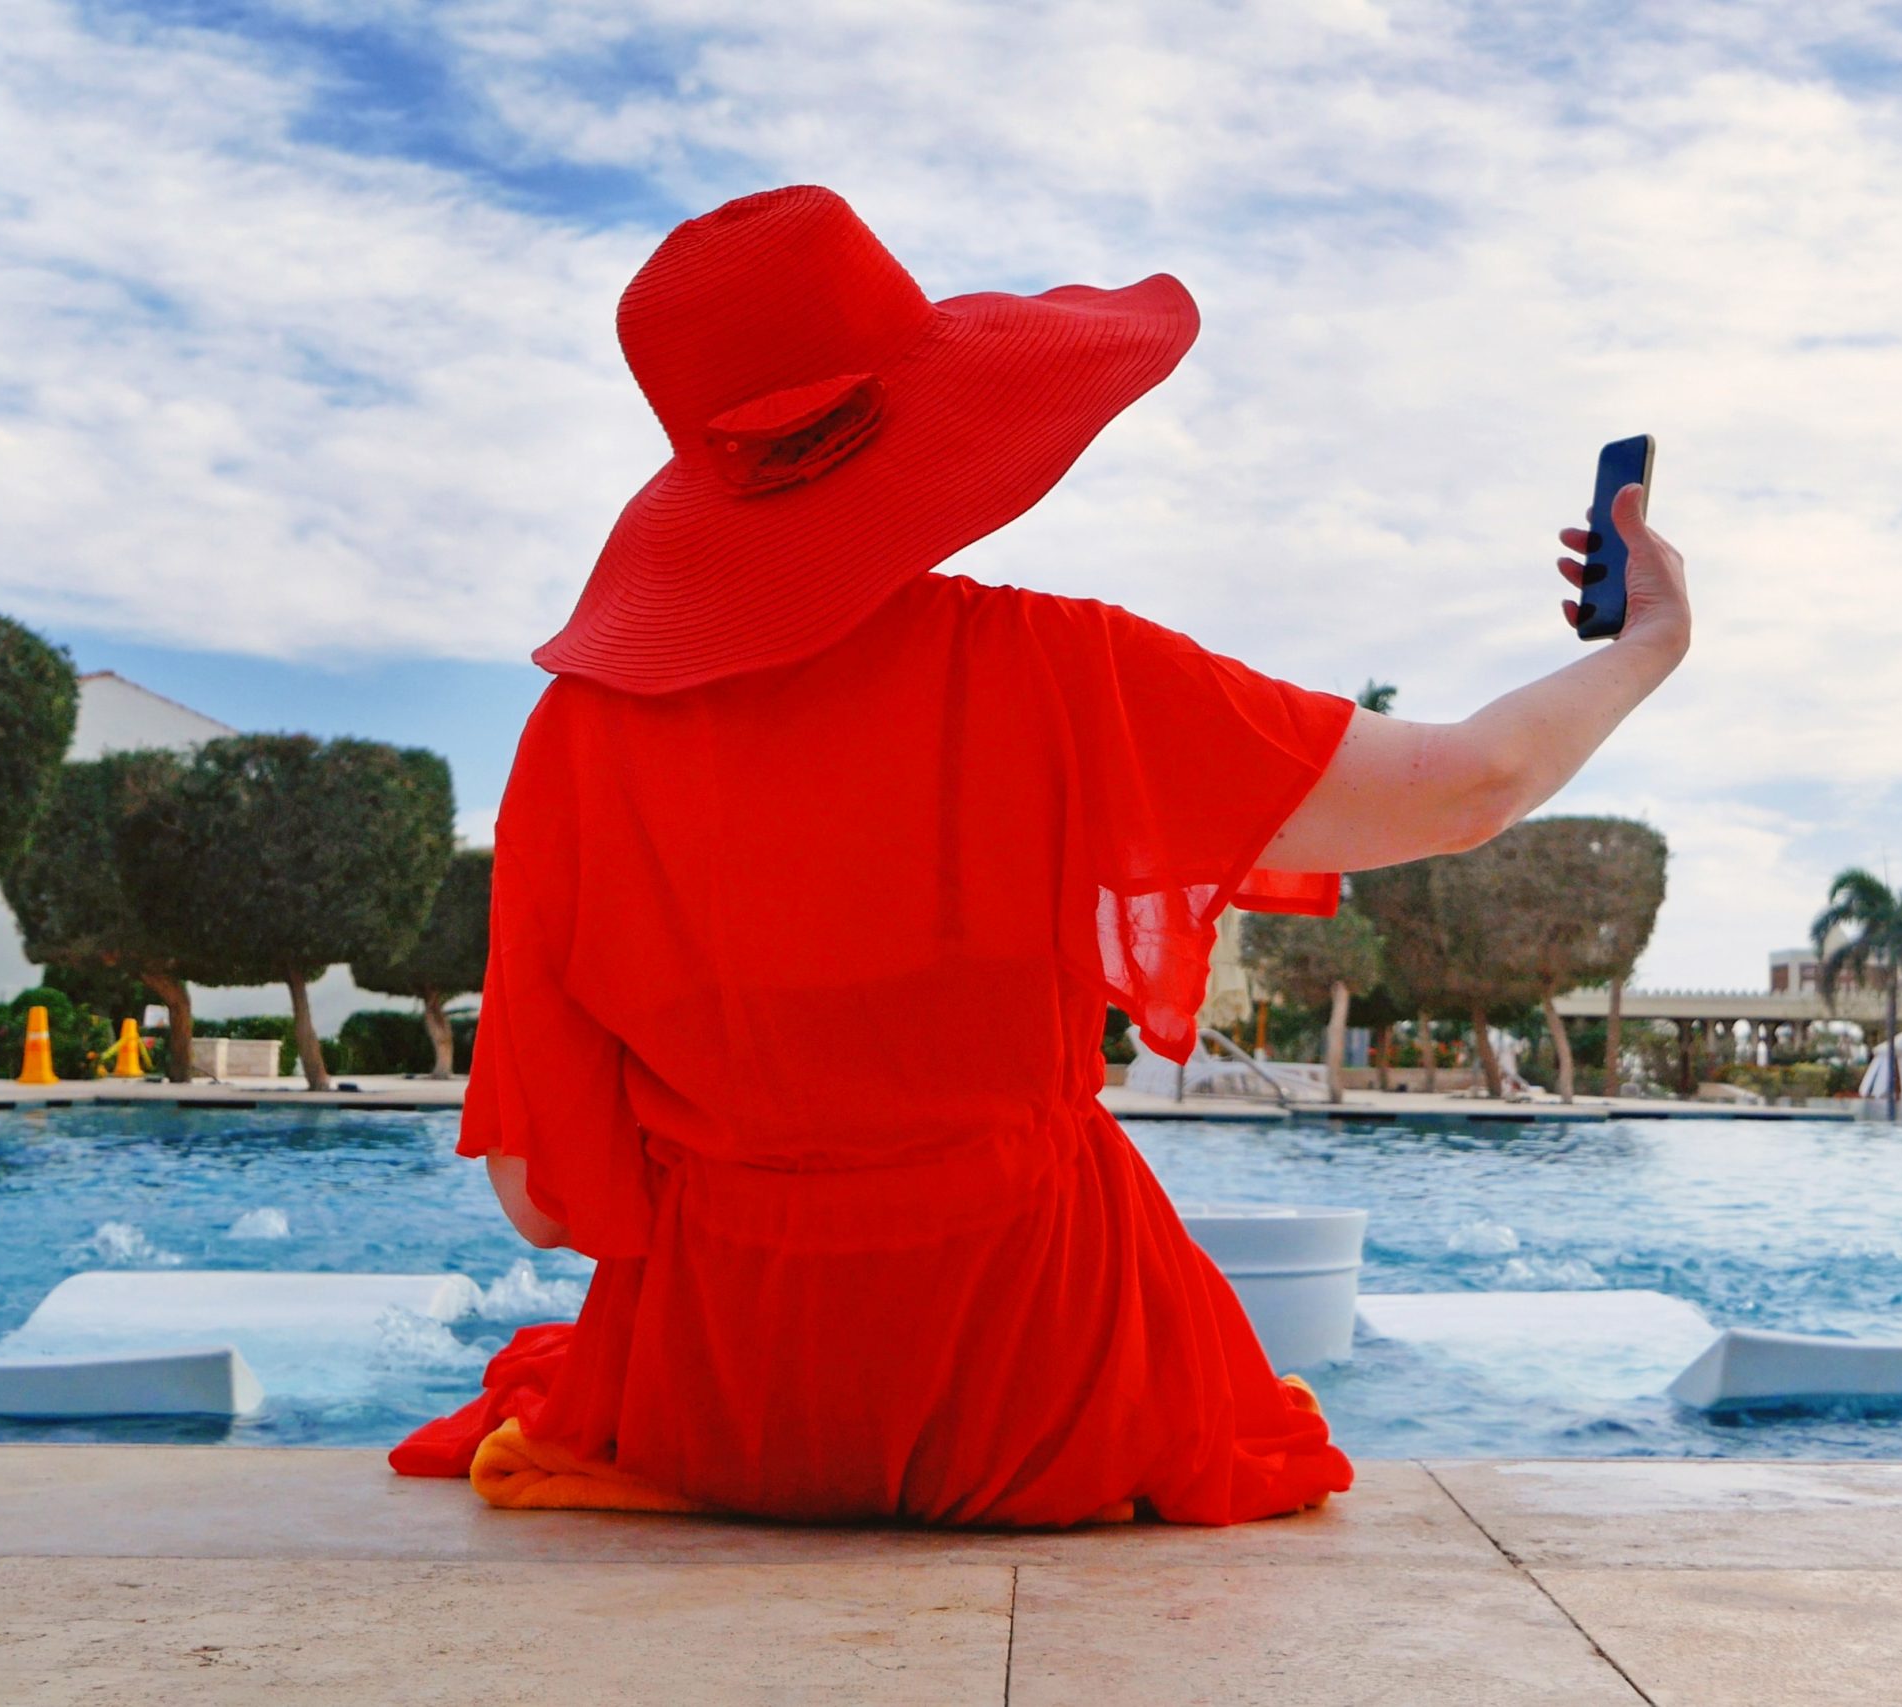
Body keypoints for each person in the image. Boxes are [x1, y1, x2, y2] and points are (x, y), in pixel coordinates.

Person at [391, 185, 1688, 1526]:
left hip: (720, 1399)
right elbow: (1473, 781)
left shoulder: (578, 740)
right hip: (1046, 1389)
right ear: (932, 421)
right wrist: (1648, 643)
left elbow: (542, 1205)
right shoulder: (1057, 673)